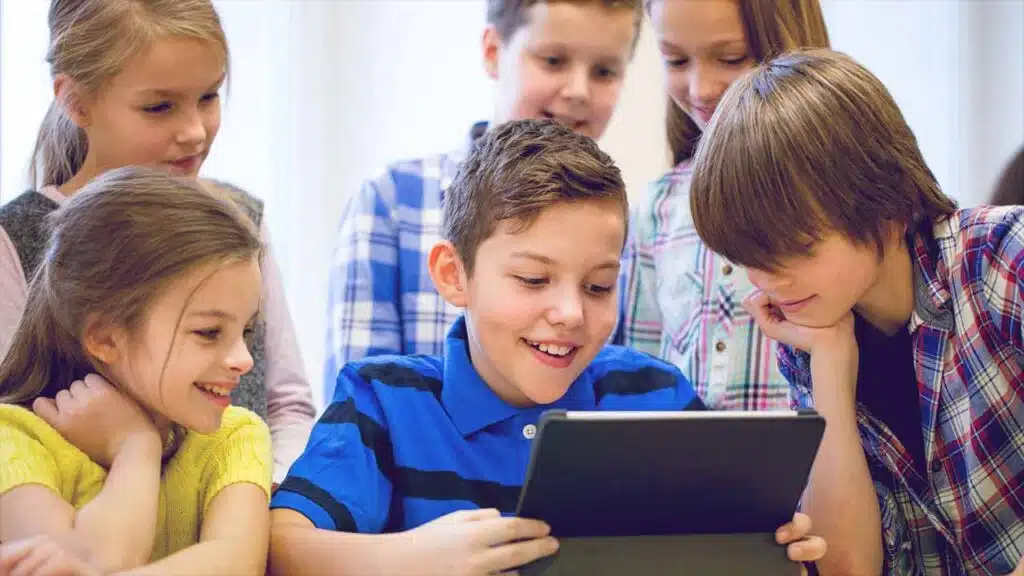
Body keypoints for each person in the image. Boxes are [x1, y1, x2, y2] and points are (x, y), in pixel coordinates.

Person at [270, 119, 826, 575]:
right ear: (453, 274)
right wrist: (410, 559)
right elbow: (280, 549)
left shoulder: (656, 396)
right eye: (534, 280)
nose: (570, 314)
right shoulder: (383, 401)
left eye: (598, 285)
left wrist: (770, 550)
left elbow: (722, 546)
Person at [689, 48, 1024, 574]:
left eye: (796, 249)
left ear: (888, 208)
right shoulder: (809, 337)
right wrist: (829, 363)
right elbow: (848, 567)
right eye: (748, 260)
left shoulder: (1003, 256)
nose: (769, 282)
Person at [0, 0, 315, 485]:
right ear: (76, 100)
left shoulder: (241, 220)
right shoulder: (16, 238)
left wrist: (265, 498)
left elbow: (287, 405)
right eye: (159, 107)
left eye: (209, 97)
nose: (195, 132)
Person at [323, 0, 643, 400]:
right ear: (494, 52)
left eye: (604, 71)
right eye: (553, 60)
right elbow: (359, 400)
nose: (578, 91)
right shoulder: (392, 202)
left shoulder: (625, 226)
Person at [0, 167, 272, 575]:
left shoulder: (235, 436)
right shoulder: (14, 438)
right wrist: (136, 447)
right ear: (107, 338)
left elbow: (234, 562)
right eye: (209, 332)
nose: (244, 359)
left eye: (246, 330)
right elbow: (96, 562)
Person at [619, 0, 831, 411]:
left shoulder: (837, 196)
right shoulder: (658, 207)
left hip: (819, 469)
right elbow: (639, 376)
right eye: (676, 60)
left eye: (731, 58)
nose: (701, 89)